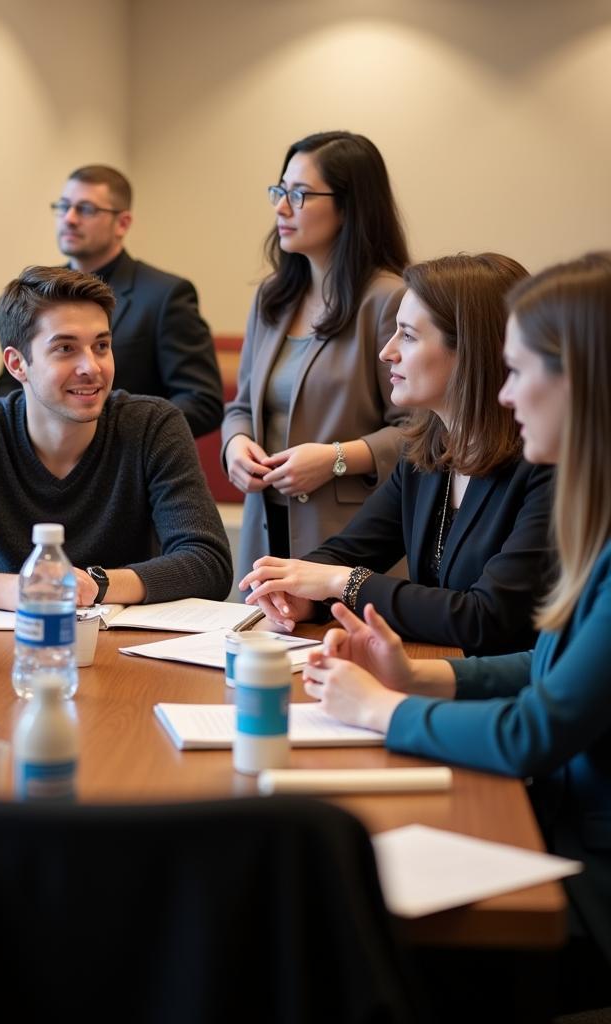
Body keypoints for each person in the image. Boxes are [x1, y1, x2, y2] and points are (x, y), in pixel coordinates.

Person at [302, 252, 611, 1014]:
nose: (506, 395)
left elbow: (534, 729)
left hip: (593, 880)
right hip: (562, 825)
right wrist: (418, 677)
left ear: (580, 381)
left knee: (340, 939)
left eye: (516, 371)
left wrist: (382, 710)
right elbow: (544, 663)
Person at [239, 254, 553, 656]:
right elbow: (346, 551)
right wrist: (300, 593)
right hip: (436, 674)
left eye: (407, 335)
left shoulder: (544, 466)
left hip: (511, 700)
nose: (388, 352)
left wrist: (340, 583)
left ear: (470, 350)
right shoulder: (426, 451)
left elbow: (486, 619)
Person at [0, 265, 233, 609]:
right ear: (17, 364)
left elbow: (208, 562)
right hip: (14, 642)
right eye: (65, 348)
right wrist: (23, 589)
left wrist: (94, 585)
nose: (92, 367)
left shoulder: (154, 425)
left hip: (129, 643)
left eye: (101, 346)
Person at [221, 131, 409, 589]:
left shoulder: (388, 299)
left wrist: (336, 459)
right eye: (280, 192)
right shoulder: (273, 297)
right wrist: (235, 446)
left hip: (351, 539)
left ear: (349, 206)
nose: (281, 208)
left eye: (300, 195)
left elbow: (421, 430)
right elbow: (242, 406)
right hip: (266, 527)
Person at [0, 164, 223, 437]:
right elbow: (8, 387)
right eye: (64, 207)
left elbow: (202, 402)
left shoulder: (166, 295)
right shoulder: (39, 294)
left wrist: (107, 437)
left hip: (133, 466)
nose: (70, 218)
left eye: (86, 209)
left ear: (122, 223)